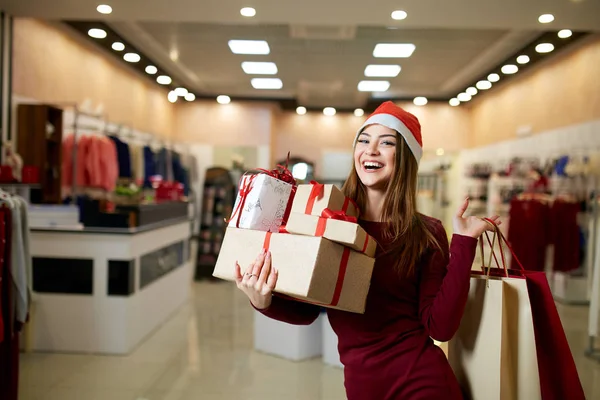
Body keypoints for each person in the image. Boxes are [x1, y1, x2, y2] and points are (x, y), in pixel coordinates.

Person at [233, 101, 501, 399]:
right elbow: (308, 311)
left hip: (422, 383)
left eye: (386, 142)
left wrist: (464, 243)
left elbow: (440, 327)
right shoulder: (329, 222)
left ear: (406, 158)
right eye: (364, 140)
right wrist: (263, 301)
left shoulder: (426, 232)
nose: (371, 150)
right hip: (361, 387)